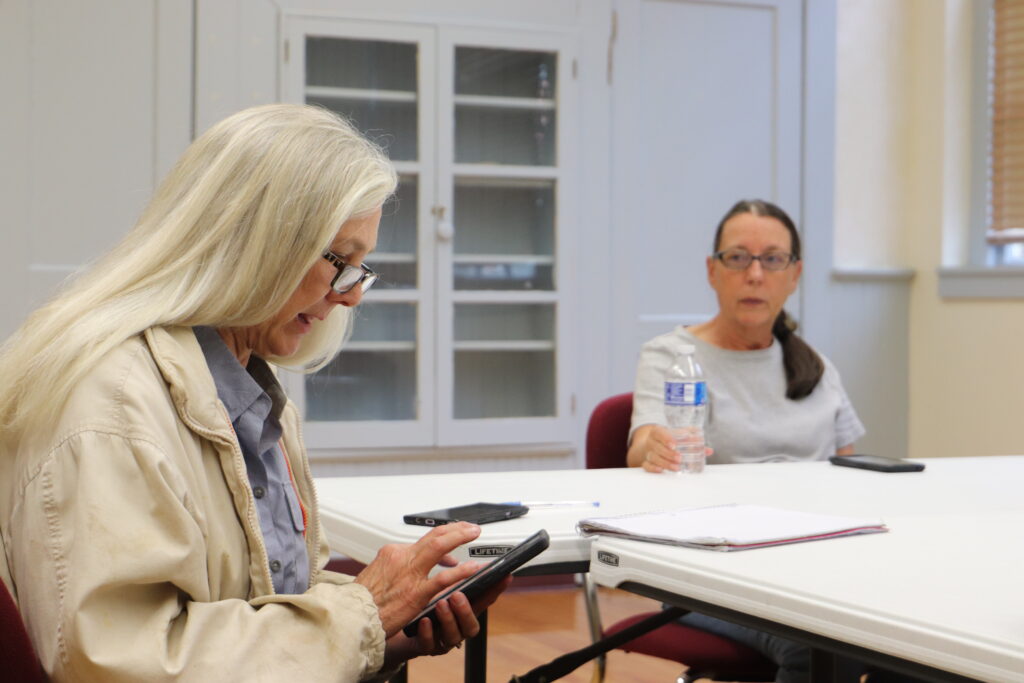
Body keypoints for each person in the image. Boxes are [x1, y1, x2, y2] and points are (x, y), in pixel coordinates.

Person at [0, 103, 509, 682]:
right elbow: (126, 664)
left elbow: (260, 605)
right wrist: (363, 612)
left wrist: (386, 632)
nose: (351, 297)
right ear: (253, 241)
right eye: (340, 261)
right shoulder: (109, 408)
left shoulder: (250, 395)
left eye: (360, 269)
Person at [625, 199, 866, 683]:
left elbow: (852, 472)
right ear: (713, 271)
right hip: (708, 574)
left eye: (772, 259)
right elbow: (644, 442)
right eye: (738, 258)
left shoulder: (815, 365)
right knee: (817, 645)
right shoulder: (673, 356)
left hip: (814, 567)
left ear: (794, 274)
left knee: (912, 642)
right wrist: (655, 446)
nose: (755, 274)